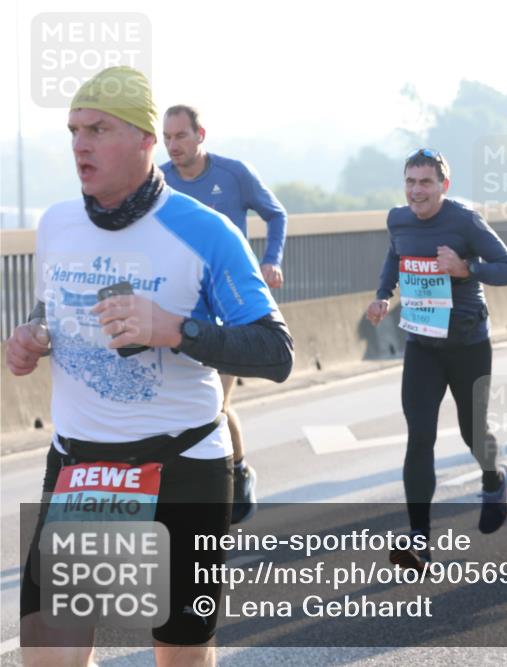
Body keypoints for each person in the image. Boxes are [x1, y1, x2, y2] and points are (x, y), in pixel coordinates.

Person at [7, 67, 293, 667]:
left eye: (98, 129)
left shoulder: (205, 232)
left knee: (180, 658)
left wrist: (176, 330)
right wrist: (33, 337)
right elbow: (50, 305)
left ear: (144, 141)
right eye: (74, 130)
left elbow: (275, 351)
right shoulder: (57, 223)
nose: (80, 144)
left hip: (181, 466)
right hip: (79, 469)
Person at [366, 149, 507, 570]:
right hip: (421, 344)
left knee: (474, 434)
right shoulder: (397, 219)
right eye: (411, 182)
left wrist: (466, 268)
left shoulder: (464, 220)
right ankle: (419, 539)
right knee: (420, 437)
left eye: (426, 183)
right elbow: (394, 256)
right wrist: (383, 295)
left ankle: (494, 479)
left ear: (443, 186)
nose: (417, 191)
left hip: (469, 344)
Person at [161, 104, 289, 524]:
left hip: (229, 308)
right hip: (179, 313)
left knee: (217, 403)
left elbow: (276, 213)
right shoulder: (159, 182)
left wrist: (271, 260)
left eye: (181, 136)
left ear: (201, 135)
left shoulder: (234, 175)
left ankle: (237, 471)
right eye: (167, 138)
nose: (173, 145)